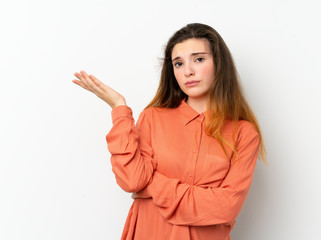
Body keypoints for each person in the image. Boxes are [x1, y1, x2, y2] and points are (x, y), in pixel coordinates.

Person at [72, 23, 266, 240]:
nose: (188, 71)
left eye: (199, 59)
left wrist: (152, 185)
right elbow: (132, 181)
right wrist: (119, 108)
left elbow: (225, 208)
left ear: (219, 64)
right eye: (178, 63)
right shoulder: (153, 118)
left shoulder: (244, 133)